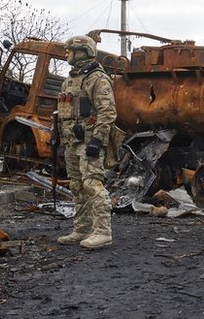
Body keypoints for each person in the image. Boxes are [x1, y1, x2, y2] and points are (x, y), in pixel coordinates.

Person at [54, 35, 117, 250]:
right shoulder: (70, 80)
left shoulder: (97, 79)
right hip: (72, 141)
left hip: (89, 141)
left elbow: (107, 112)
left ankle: (102, 232)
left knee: (92, 184)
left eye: (70, 51)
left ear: (81, 52)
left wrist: (98, 140)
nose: (66, 55)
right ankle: (82, 228)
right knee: (77, 186)